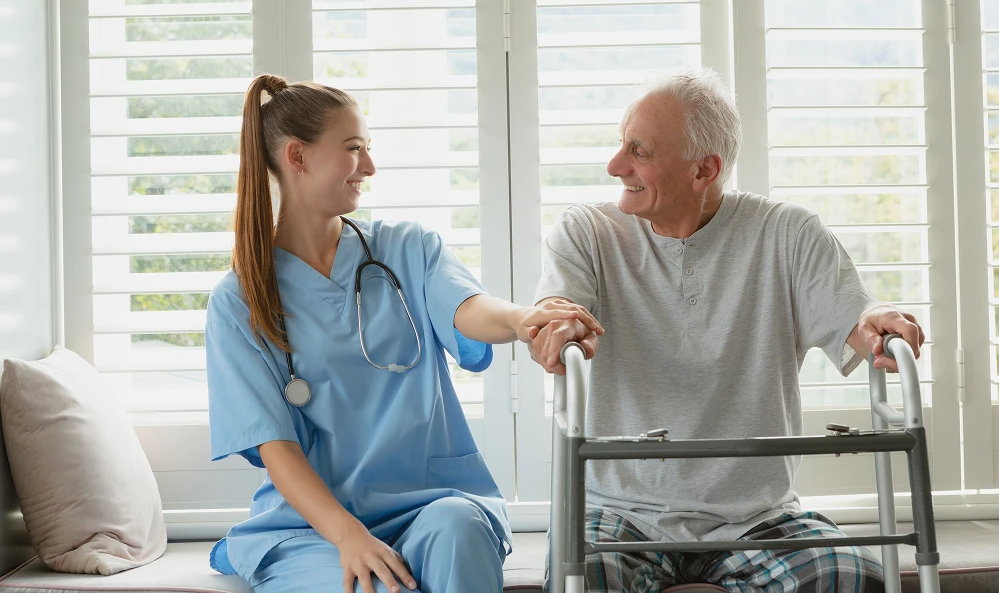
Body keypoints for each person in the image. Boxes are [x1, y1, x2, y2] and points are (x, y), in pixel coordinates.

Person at [529, 68, 925, 592]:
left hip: (757, 516)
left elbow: (856, 321)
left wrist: (875, 324)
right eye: (620, 145)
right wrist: (557, 329)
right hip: (620, 509)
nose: (614, 165)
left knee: (851, 577)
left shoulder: (788, 233)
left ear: (704, 170)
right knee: (584, 576)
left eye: (638, 151)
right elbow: (559, 315)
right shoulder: (586, 232)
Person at [204, 74, 603, 593]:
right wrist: (349, 536)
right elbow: (276, 448)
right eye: (353, 150)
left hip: (428, 501)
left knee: (460, 529)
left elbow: (468, 309)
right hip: (313, 529)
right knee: (364, 583)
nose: (369, 167)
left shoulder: (406, 249)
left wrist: (522, 319)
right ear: (297, 157)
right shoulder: (240, 299)